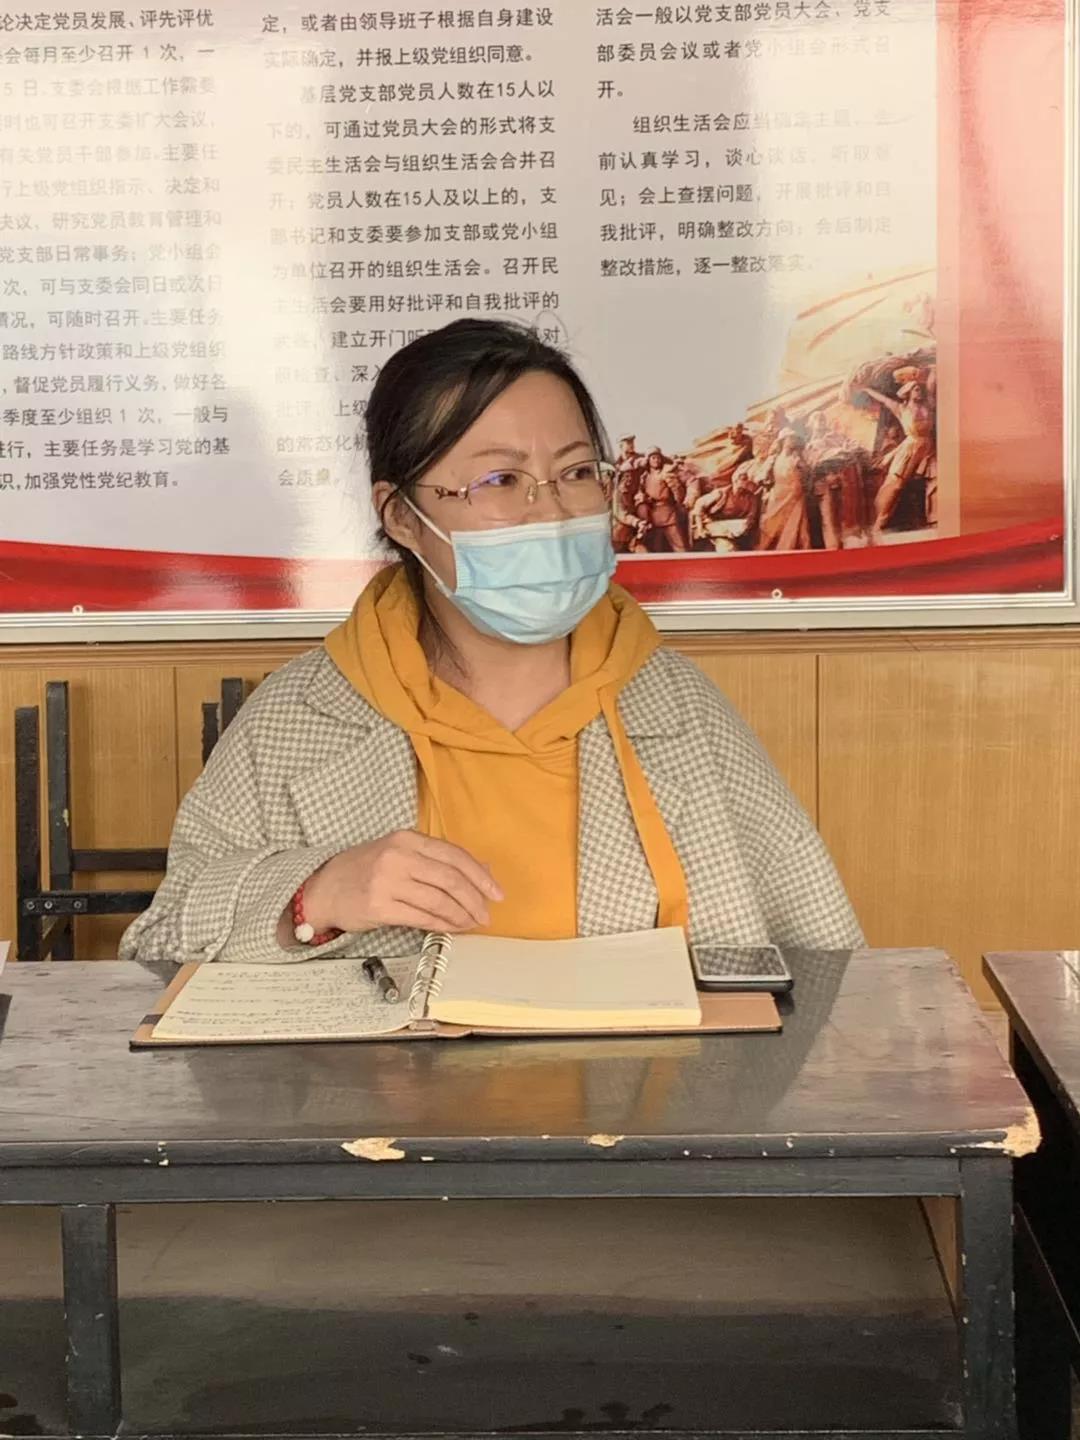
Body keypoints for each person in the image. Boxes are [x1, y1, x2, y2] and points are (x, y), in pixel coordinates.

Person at [120, 319, 860, 967]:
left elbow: (827, 963)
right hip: (384, 1093)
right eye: (501, 479)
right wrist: (316, 895)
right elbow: (158, 948)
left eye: (576, 472)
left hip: (647, 1087)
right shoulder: (296, 721)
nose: (551, 510)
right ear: (402, 516)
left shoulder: (680, 709)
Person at [757, 429, 812, 551]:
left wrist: (801, 466)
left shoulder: (797, 458)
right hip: (778, 494)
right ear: (783, 441)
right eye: (789, 438)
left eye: (794, 439)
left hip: (795, 494)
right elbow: (762, 476)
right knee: (771, 523)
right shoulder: (774, 458)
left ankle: (790, 549)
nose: (792, 441)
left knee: (795, 523)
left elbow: (807, 473)